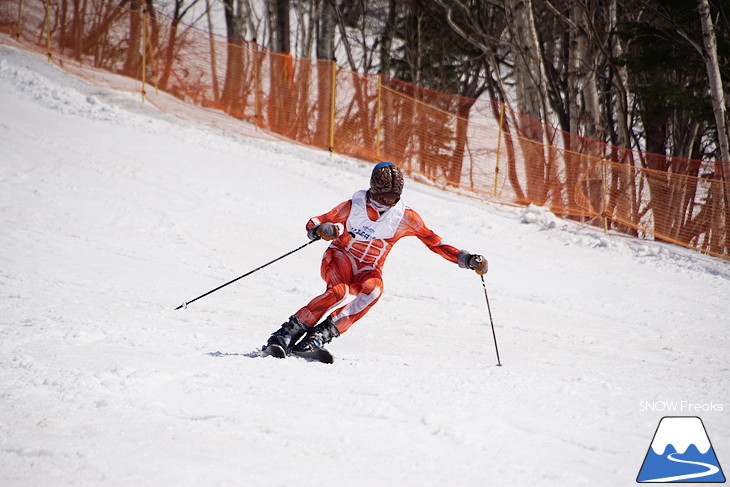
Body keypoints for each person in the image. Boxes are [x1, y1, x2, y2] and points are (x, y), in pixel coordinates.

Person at [263, 162, 488, 358]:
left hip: (368, 268)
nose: (387, 203)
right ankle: (285, 334)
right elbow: (315, 221)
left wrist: (467, 259)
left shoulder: (405, 217)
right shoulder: (353, 207)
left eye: (393, 198)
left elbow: (434, 242)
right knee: (338, 292)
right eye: (383, 198)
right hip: (340, 257)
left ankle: (319, 336)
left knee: (374, 290)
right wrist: (322, 229)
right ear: (373, 190)